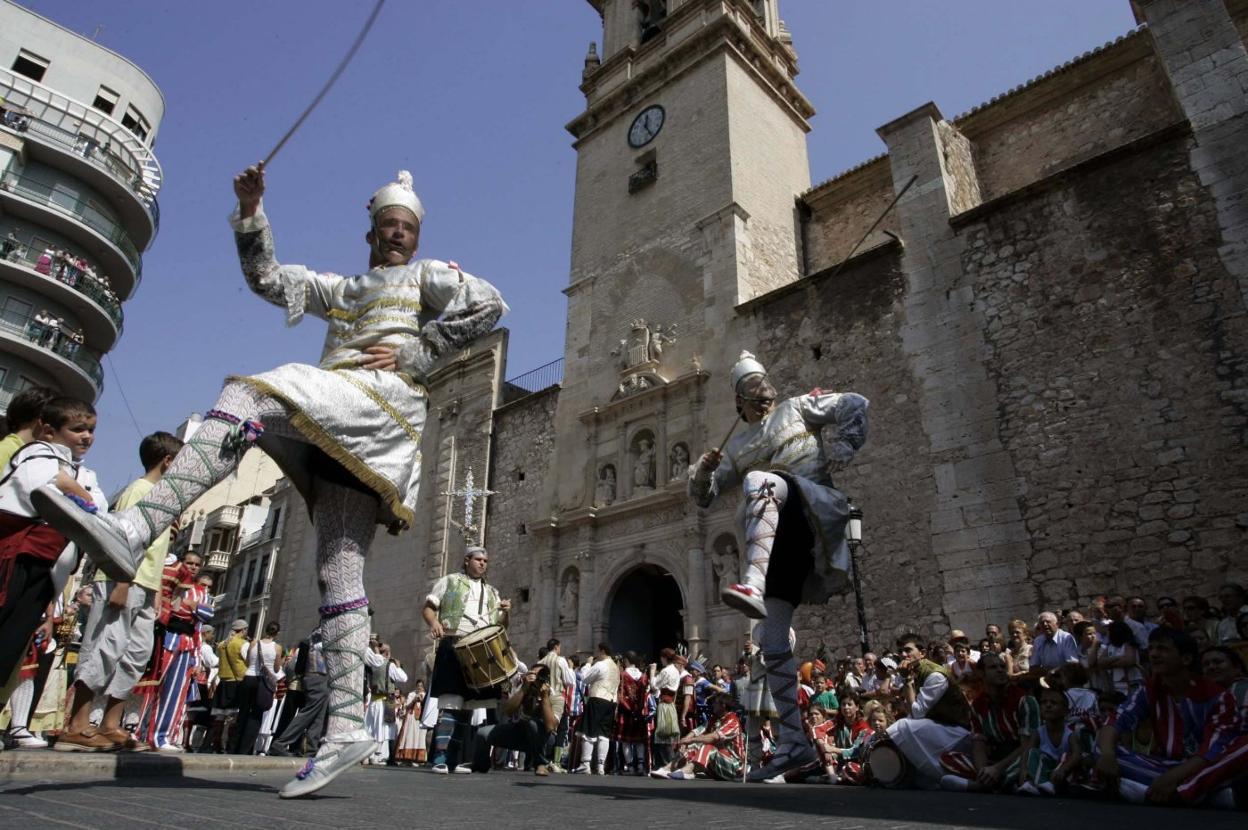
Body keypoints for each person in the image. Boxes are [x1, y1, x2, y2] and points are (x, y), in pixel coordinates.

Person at [33, 165, 507, 797]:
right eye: (389, 227)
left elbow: (490, 303)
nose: (397, 236)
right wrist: (253, 211)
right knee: (338, 569)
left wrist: (420, 351)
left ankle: (136, 527)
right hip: (342, 421)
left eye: (406, 229)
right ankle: (343, 727)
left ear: (416, 237)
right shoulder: (340, 287)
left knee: (247, 393)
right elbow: (266, 279)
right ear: (372, 231)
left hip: (381, 404)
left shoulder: (428, 277)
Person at [689, 351, 868, 781]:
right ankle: (794, 746)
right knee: (771, 640)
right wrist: (702, 471)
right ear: (740, 402)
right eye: (752, 389)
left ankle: (750, 582)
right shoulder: (735, 447)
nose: (763, 393)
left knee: (758, 481)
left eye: (764, 384)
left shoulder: (797, 407)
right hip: (776, 544)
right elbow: (704, 497)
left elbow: (855, 404)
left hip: (811, 509)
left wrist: (840, 453)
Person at [0, 399, 105, 742]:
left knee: (11, 644)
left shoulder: (83, 470)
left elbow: (99, 508)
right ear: (49, 429)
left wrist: (82, 493)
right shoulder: (35, 454)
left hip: (45, 569)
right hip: (15, 557)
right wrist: (79, 494)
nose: (87, 436)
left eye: (90, 430)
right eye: (77, 429)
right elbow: (42, 484)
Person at [1095, 627, 1248, 807]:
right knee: (1101, 747)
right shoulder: (1149, 690)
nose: (1153, 654)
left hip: (1205, 766)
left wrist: (1171, 778)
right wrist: (1106, 754)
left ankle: (1177, 793)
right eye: (1151, 648)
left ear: (1186, 659)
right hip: (1166, 766)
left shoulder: (1218, 696)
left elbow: (1211, 752)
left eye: (1162, 649)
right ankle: (1205, 795)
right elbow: (1116, 721)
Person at [422, 545, 510, 773]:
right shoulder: (449, 581)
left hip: (480, 653)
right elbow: (429, 608)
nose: (482, 563)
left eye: (485, 561)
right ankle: (439, 758)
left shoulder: (492, 592)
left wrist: (506, 612)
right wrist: (434, 624)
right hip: (454, 644)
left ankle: (453, 759)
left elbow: (501, 626)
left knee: (469, 707)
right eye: (478, 559)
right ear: (466, 560)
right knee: (451, 704)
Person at [939, 652, 1038, 792]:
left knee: (1029, 760)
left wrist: (997, 769)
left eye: (1002, 666)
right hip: (995, 757)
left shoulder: (1024, 700)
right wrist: (984, 771)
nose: (1000, 670)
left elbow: (1028, 744)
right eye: (993, 667)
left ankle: (980, 786)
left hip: (1019, 755)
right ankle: (989, 782)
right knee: (948, 758)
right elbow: (979, 744)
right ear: (981, 673)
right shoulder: (978, 705)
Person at [885, 633, 973, 787]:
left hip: (958, 732)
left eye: (908, 650)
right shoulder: (914, 671)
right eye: (900, 652)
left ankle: (940, 776)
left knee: (904, 726)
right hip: (941, 726)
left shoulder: (935, 675)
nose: (903, 655)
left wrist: (907, 680)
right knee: (903, 726)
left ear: (922, 653)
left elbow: (917, 714)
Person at [144, 567, 214, 751]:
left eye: (208, 587)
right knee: (151, 687)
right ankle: (141, 733)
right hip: (166, 639)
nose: (205, 589)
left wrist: (193, 607)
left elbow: (206, 616)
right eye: (203, 584)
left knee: (176, 693)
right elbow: (175, 609)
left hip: (187, 644)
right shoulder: (177, 585)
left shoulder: (201, 595)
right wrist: (190, 607)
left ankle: (163, 736)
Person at [474, 666, 558, 776]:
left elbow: (551, 726)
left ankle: (541, 764)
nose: (537, 678)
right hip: (519, 732)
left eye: (540, 675)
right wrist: (524, 689)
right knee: (482, 733)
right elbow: (507, 711)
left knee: (532, 724)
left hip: (544, 740)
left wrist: (544, 697)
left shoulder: (555, 696)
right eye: (534, 674)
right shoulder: (520, 687)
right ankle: (481, 765)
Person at [651, 692, 744, 781]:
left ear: (723, 705)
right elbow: (697, 731)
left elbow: (714, 737)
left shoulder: (733, 721)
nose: (713, 705)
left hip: (734, 767)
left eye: (715, 703)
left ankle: (689, 771)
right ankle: (669, 768)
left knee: (708, 746)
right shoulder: (714, 719)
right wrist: (686, 741)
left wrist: (690, 740)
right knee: (693, 745)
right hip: (717, 766)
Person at [267, 627, 329, 757]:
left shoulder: (314, 636)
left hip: (318, 677)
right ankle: (281, 743)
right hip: (317, 676)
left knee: (319, 714)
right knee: (309, 712)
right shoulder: (322, 635)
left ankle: (310, 749)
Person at [234, 621, 282, 754]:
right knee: (256, 715)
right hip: (262, 682)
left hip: (248, 678)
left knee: (242, 712)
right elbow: (277, 669)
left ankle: (233, 746)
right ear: (277, 633)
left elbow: (249, 660)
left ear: (266, 630)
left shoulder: (254, 643)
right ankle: (245, 749)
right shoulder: (277, 648)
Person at [574, 642, 619, 774]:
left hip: (597, 699)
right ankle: (600, 766)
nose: (597, 654)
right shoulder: (616, 667)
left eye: (598, 652)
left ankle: (585, 763)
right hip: (610, 702)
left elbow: (585, 679)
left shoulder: (600, 664)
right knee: (603, 734)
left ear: (602, 651)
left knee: (589, 731)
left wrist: (588, 664)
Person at [363, 640, 407, 764]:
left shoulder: (372, 663)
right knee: (386, 729)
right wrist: (397, 666)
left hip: (374, 700)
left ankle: (369, 755)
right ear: (387, 653)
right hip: (387, 700)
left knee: (372, 728)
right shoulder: (390, 665)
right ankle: (379, 756)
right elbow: (404, 678)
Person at [209, 619, 249, 752]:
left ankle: (216, 744)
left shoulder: (221, 644)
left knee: (220, 716)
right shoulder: (242, 644)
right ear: (243, 630)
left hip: (223, 682)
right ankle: (228, 745)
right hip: (236, 682)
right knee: (233, 717)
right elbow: (247, 661)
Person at [615, 651, 651, 775]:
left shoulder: (623, 675)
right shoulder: (643, 675)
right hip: (639, 711)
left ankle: (630, 766)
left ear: (626, 661)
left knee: (626, 740)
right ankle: (640, 765)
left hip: (625, 711)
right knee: (639, 740)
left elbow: (620, 693)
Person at [394, 679, 428, 765]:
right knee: (409, 736)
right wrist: (414, 700)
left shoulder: (426, 695)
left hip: (420, 719)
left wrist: (422, 700)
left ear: (423, 687)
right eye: (418, 685)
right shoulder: (411, 694)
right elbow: (407, 706)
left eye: (421, 686)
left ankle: (416, 759)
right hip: (411, 717)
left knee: (418, 738)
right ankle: (405, 757)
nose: (419, 687)